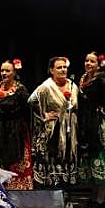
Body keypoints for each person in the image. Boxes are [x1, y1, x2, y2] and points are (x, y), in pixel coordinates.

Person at [28, 57, 79, 188]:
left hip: (69, 129)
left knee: (68, 159)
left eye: (64, 67)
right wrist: (44, 115)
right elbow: (32, 101)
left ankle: (65, 191)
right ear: (52, 70)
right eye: (59, 67)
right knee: (52, 159)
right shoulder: (46, 86)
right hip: (53, 131)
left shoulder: (73, 86)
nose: (63, 70)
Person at [77, 51, 105, 201]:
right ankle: (94, 197)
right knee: (91, 160)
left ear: (98, 65)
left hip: (99, 125)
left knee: (100, 159)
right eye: (87, 60)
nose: (88, 64)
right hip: (87, 122)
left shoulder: (101, 78)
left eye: (92, 61)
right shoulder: (84, 78)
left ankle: (100, 199)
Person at [0, 58, 33, 190]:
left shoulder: (20, 90)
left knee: (17, 159)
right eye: (2, 70)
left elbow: (28, 110)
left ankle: (19, 188)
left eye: (7, 71)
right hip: (0, 129)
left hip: (16, 129)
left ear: (14, 72)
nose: (4, 73)